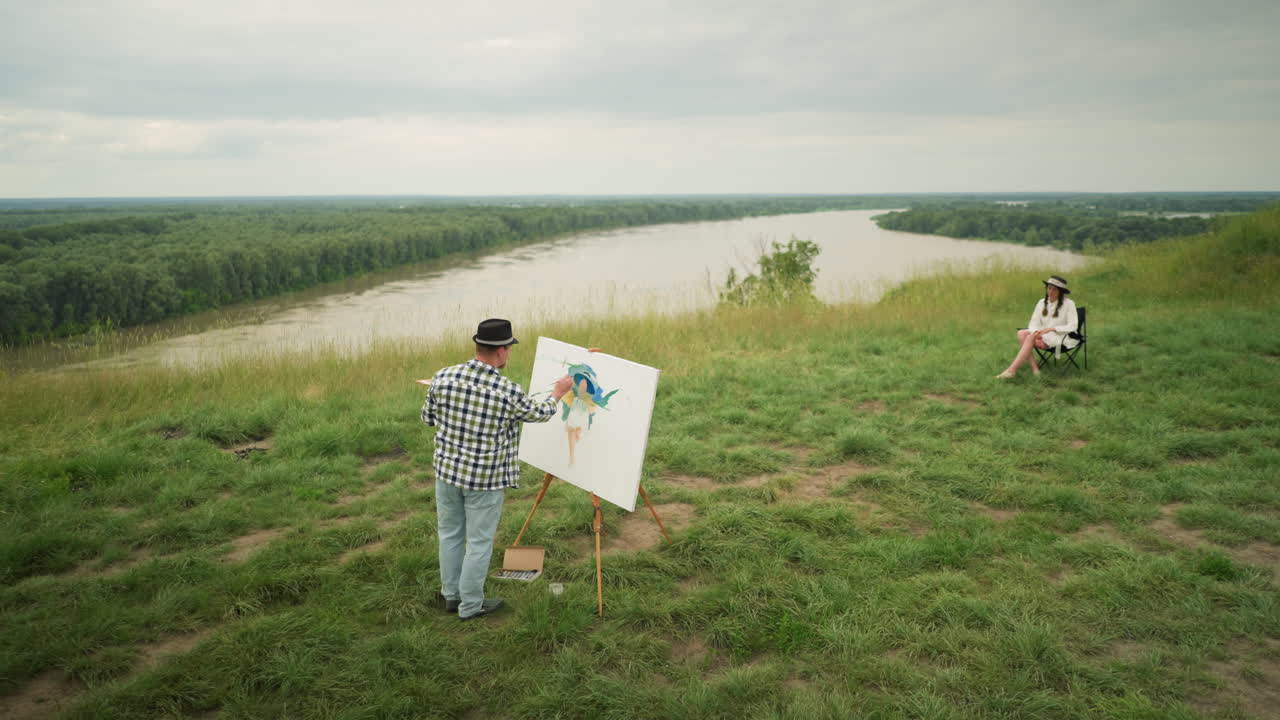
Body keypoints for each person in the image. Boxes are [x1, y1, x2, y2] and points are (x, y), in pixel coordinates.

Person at [421, 318, 572, 620]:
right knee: (478, 543)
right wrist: (558, 392)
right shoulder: (506, 390)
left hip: (447, 473)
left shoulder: (443, 376)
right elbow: (539, 413)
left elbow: (428, 418)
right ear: (502, 351)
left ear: (478, 345)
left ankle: (451, 596)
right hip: (484, 480)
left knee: (449, 535)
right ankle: (470, 606)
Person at [997, 275, 1078, 379]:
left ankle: (1011, 370)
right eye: (1049, 288)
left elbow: (1073, 325)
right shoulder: (1041, 302)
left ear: (1061, 291)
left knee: (1028, 338)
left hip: (1059, 336)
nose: (1051, 292)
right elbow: (1034, 322)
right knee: (1021, 333)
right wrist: (1036, 332)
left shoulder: (1069, 304)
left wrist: (1053, 329)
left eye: (1054, 289)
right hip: (1043, 333)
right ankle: (1035, 370)